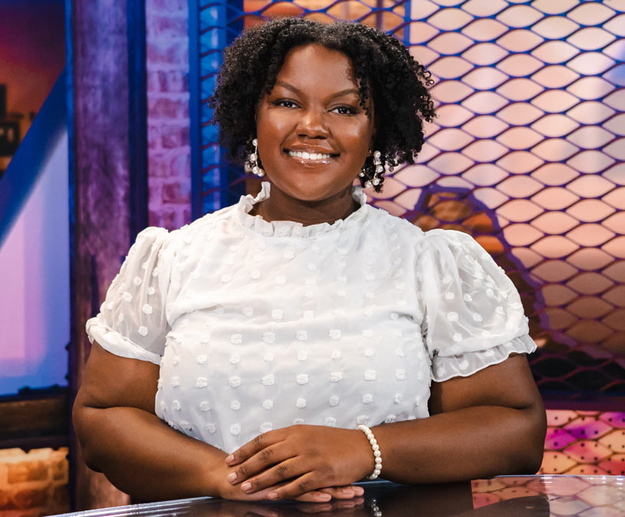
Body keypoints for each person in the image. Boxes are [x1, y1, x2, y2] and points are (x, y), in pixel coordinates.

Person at [73, 17, 546, 504]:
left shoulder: (430, 262)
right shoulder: (173, 259)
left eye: (344, 108)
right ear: (253, 115)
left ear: (375, 129)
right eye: (286, 102)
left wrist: (365, 450)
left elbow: (516, 432)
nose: (313, 126)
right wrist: (229, 476)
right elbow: (104, 419)